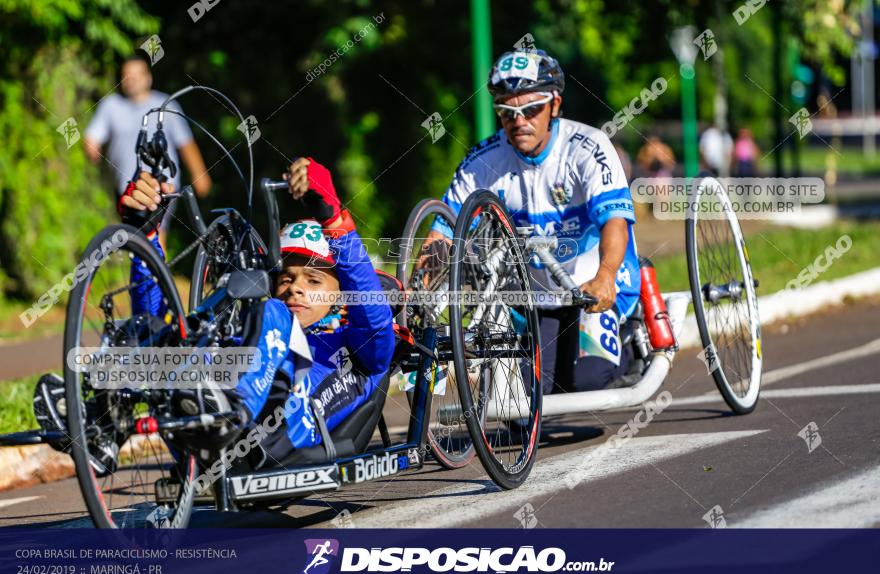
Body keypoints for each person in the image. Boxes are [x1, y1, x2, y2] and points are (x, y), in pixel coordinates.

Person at [119, 157, 395, 462]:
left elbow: (374, 320)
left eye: (313, 280)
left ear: (341, 295)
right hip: (203, 429)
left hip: (278, 432)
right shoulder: (257, 330)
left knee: (274, 312)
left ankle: (234, 407)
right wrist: (146, 238)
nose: (295, 288)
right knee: (169, 337)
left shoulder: (358, 349)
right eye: (286, 278)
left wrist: (334, 221)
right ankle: (94, 418)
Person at [427, 49, 642, 394]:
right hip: (539, 297)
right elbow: (443, 233)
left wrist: (605, 276)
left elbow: (615, 221)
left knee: (588, 382)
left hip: (593, 284)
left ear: (554, 105)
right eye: (507, 111)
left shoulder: (589, 147)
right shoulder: (482, 160)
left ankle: (632, 334)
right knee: (525, 398)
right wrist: (421, 285)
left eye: (530, 109)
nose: (519, 120)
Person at [85, 52, 212, 252]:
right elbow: (93, 136)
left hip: (163, 184)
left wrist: (200, 174)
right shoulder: (111, 106)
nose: (131, 80)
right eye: (127, 76)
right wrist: (92, 148)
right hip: (126, 186)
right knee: (135, 239)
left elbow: (185, 143)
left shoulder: (166, 105)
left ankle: (155, 280)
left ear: (148, 78)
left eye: (136, 75)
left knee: (155, 234)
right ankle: (146, 278)